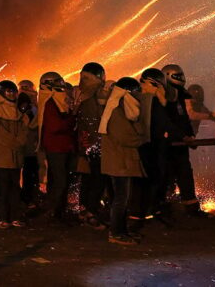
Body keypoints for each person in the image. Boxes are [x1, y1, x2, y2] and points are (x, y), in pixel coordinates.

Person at [99, 77, 146, 245]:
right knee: (120, 199)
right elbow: (125, 136)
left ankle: (122, 230)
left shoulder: (119, 107)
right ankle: (116, 233)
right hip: (120, 163)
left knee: (122, 199)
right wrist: (142, 138)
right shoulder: (117, 110)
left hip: (121, 161)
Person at [129, 69, 174, 228]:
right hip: (150, 146)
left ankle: (142, 213)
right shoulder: (148, 100)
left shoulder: (142, 99)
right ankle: (141, 214)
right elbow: (164, 122)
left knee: (148, 180)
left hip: (148, 145)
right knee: (148, 180)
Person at [161, 64, 204, 216]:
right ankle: (163, 209)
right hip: (166, 145)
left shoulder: (179, 94)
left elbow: (184, 118)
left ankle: (191, 207)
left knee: (185, 173)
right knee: (167, 176)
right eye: (177, 76)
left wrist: (190, 135)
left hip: (180, 144)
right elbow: (166, 121)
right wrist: (182, 136)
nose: (181, 79)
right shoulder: (162, 97)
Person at [0, 81, 30, 229]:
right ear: (1, 93)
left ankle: (15, 216)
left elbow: (25, 129)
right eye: (8, 91)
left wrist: (20, 142)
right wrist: (17, 143)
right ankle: (3, 217)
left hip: (15, 156)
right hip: (1, 157)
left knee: (15, 187)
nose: (12, 94)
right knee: (3, 188)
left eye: (13, 91)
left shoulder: (18, 110)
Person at [37, 72, 76, 223]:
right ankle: (57, 212)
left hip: (60, 146)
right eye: (58, 82)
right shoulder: (50, 103)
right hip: (57, 147)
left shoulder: (53, 101)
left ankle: (55, 209)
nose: (61, 84)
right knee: (61, 181)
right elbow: (56, 126)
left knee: (57, 180)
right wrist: (72, 117)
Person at [73, 62, 108, 229]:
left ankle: (84, 210)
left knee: (87, 178)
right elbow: (99, 120)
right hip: (97, 143)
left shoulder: (78, 93)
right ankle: (91, 213)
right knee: (98, 179)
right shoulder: (98, 93)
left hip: (85, 142)